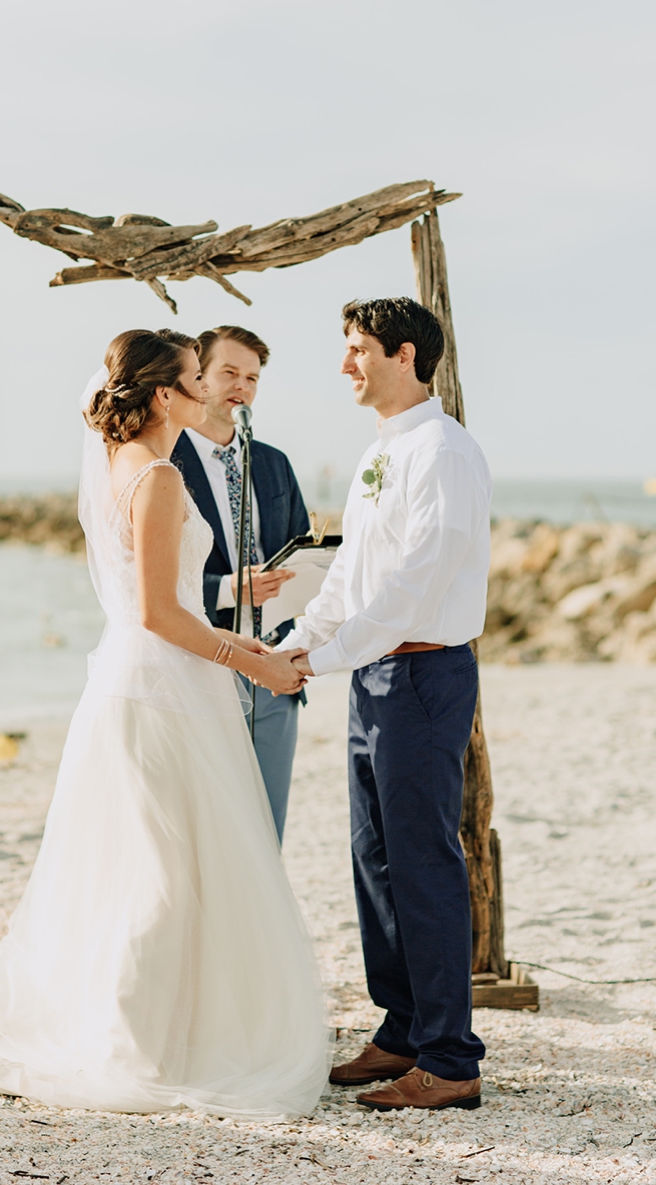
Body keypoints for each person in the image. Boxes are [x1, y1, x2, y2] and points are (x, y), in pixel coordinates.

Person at [0, 328, 329, 1118]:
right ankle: (133, 1043)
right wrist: (252, 658)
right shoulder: (156, 478)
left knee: (155, 866)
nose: (210, 393)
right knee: (162, 873)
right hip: (159, 690)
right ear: (164, 396)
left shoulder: (135, 466)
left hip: (158, 685)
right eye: (197, 380)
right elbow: (162, 613)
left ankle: (164, 1027)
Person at [279, 297, 492, 1113]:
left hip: (424, 676)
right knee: (375, 860)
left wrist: (324, 659)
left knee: (424, 861)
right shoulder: (383, 450)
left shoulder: (443, 451)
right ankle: (402, 1028)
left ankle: (449, 1056)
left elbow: (414, 588)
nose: (346, 364)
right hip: (374, 677)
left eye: (358, 348)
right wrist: (297, 643)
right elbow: (350, 576)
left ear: (405, 355)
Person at [172, 325, 310, 843]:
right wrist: (230, 589)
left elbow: (299, 548)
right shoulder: (166, 461)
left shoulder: (275, 464)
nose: (242, 387)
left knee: (266, 827)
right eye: (229, 372)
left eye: (252, 378)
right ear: (198, 376)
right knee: (207, 830)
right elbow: (150, 581)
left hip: (274, 666)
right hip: (199, 663)